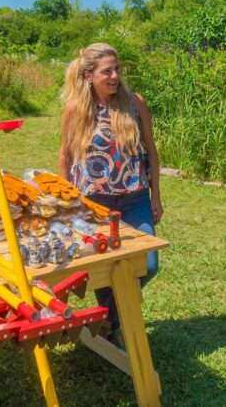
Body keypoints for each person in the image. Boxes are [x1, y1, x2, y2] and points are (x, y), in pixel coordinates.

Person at [58, 43, 162, 342]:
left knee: (149, 264)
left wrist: (156, 196)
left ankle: (106, 318)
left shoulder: (135, 103)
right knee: (104, 269)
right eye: (108, 71)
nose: (115, 76)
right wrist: (66, 202)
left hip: (135, 198)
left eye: (117, 69)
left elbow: (151, 153)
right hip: (94, 204)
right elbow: (64, 158)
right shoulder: (76, 110)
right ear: (89, 75)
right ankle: (113, 325)